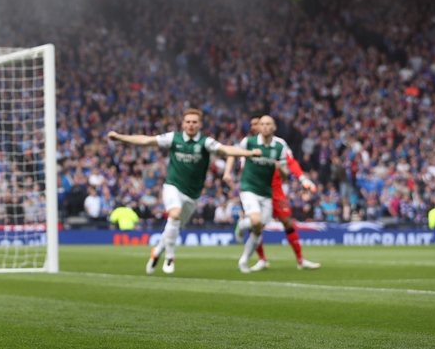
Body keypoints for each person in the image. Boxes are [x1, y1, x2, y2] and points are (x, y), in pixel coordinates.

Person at [108, 108, 261, 275]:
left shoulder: (205, 142)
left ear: (200, 124)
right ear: (182, 123)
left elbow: (226, 150)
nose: (191, 124)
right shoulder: (173, 138)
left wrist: (249, 154)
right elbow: (146, 140)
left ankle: (157, 251)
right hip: (173, 186)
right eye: (188, 121)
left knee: (175, 227)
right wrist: (120, 137)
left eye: (194, 122)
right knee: (174, 214)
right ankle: (170, 257)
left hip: (192, 195)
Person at [225, 112, 321, 270]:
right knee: (257, 223)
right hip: (253, 188)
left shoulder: (279, 144)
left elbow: (290, 163)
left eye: (262, 123)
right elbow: (238, 160)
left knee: (286, 222)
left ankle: (300, 260)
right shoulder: (248, 144)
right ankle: (261, 259)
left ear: (272, 127)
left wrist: (302, 179)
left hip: (274, 188)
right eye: (256, 124)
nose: (258, 127)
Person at [224, 116, 290, 274]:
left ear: (274, 127)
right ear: (259, 127)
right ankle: (241, 225)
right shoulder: (249, 142)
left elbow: (285, 175)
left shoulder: (280, 147)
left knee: (258, 229)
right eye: (262, 124)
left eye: (268, 124)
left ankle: (244, 260)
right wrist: (227, 172)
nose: (265, 127)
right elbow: (233, 153)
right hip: (249, 188)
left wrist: (280, 168)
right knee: (256, 220)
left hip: (266, 192)